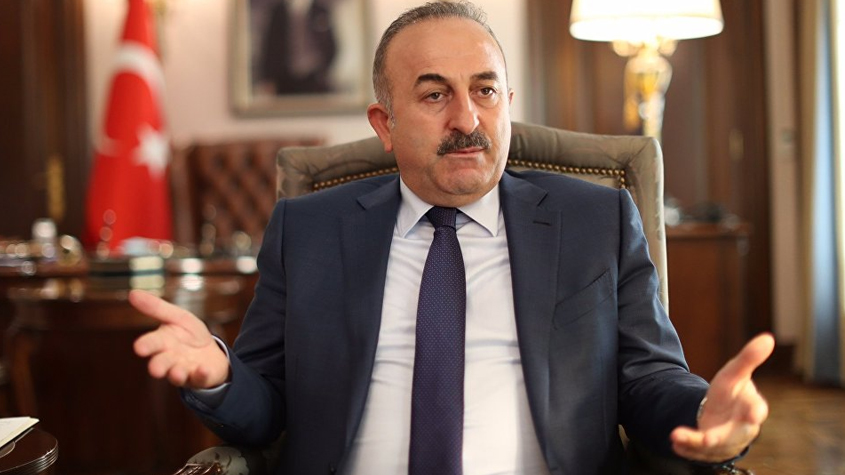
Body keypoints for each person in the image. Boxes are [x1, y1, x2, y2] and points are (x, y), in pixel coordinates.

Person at [131, 2, 775, 474]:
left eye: (484, 90)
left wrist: (704, 412)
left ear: (507, 102)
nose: (467, 118)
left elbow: (648, 378)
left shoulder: (594, 220)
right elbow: (266, 405)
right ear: (384, 124)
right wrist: (220, 375)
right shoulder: (311, 230)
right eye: (435, 95)